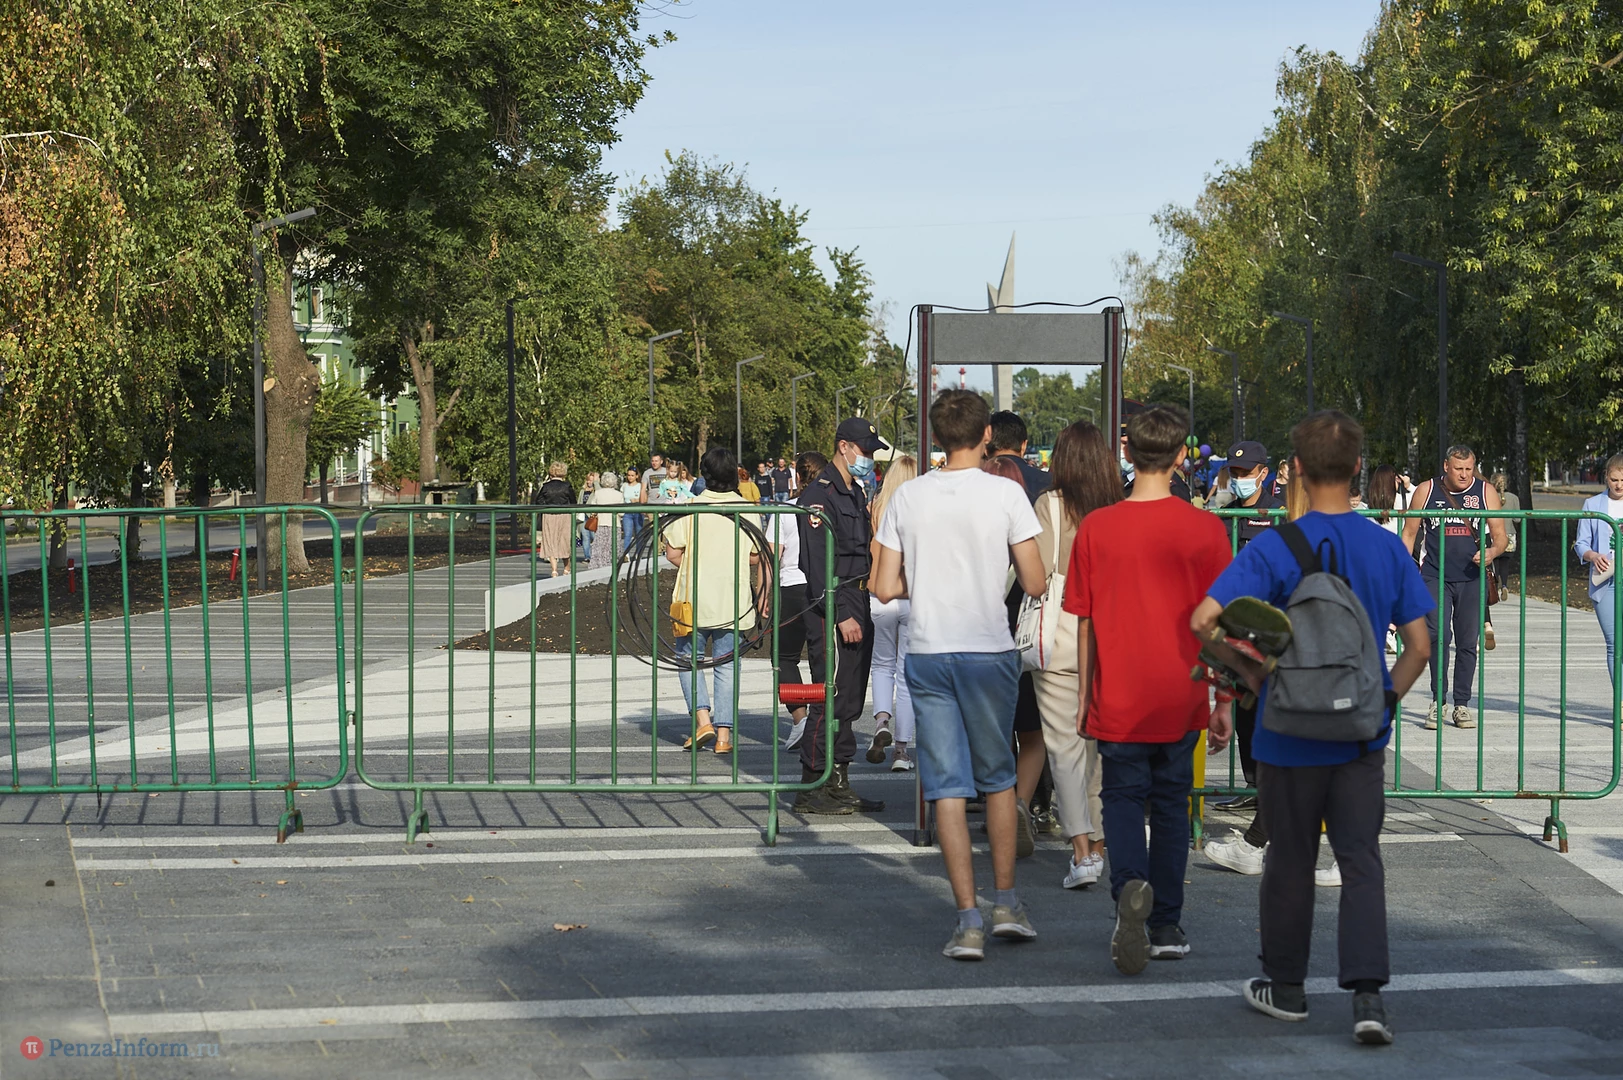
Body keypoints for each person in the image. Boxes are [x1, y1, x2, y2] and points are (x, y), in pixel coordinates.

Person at [1193, 409, 1434, 1045]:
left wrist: (1252, 674)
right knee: (1360, 859)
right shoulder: (1385, 545)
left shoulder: (1273, 546)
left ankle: (1286, 987)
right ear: (1357, 467)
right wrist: (1383, 701)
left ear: (1295, 468)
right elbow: (1419, 645)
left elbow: (1203, 620)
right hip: (1359, 731)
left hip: (1287, 729)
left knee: (1290, 859)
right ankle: (1368, 998)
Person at [871, 389, 1047, 960]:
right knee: (997, 778)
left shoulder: (909, 496)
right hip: (988, 648)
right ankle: (1007, 904)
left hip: (928, 649)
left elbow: (883, 585)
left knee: (946, 786)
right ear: (987, 435)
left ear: (936, 436)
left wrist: (926, 579)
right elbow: (1036, 580)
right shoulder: (1006, 494)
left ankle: (967, 920)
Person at [1065, 403, 1233, 974]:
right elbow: (1221, 623)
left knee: (1119, 797)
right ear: (1183, 455)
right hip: (1181, 692)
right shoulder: (1206, 529)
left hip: (1119, 693)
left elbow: (1084, 622)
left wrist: (1084, 695)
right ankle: (1165, 923)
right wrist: (1224, 699)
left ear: (1128, 453)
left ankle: (1129, 889)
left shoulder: (1098, 527)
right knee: (1170, 806)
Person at [1031, 421, 1118, 889]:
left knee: (1063, 747)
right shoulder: (1116, 507)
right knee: (1098, 748)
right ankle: (1100, 844)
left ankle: (1081, 850)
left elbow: (1037, 573)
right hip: (1109, 635)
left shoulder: (1050, 504)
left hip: (1060, 633)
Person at [793, 417, 890, 815]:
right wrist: (840, 614)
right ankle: (812, 784)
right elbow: (816, 564)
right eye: (864, 450)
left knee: (849, 698)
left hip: (857, 596)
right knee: (828, 694)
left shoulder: (854, 491)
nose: (868, 458)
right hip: (833, 601)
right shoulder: (820, 495)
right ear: (844, 446)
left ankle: (838, 781)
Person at [661, 447, 763, 757]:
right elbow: (756, 555)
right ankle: (723, 736)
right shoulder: (747, 509)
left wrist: (698, 562)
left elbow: (673, 552)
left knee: (687, 659)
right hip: (732, 599)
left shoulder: (690, 507)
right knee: (727, 665)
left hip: (693, 598)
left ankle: (703, 721)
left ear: (704, 474)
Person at [1400, 446, 1507, 730]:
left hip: (1472, 577)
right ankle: (1438, 700)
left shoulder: (1485, 492)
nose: (1464, 474)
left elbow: (1501, 537)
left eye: (1469, 469)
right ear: (1446, 466)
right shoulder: (1426, 490)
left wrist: (1492, 552)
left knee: (1467, 641)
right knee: (1437, 635)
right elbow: (1409, 533)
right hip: (1434, 575)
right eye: (1458, 469)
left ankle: (1462, 704)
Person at [1205, 440, 1284, 829]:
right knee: (1242, 710)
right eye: (1233, 473)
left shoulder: (1280, 515)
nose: (1238, 479)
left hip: (1272, 626)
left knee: (1273, 711)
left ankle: (1276, 789)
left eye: (1245, 473)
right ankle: (1253, 785)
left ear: (1263, 474)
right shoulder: (1225, 516)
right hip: (1236, 628)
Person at [987, 411, 1050, 856]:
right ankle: (1026, 804)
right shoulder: (1044, 486)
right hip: (1029, 619)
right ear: (1025, 445)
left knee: (991, 725)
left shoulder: (974, 482)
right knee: (1033, 725)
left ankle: (998, 803)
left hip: (979, 624)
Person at [867, 454, 919, 771]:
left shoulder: (877, 508)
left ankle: (881, 722)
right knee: (907, 673)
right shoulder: (921, 509)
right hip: (913, 596)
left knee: (882, 664)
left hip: (880, 595)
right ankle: (901, 749)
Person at [776, 452, 826, 750]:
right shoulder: (828, 507)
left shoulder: (786, 509)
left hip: (792, 585)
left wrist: (764, 591)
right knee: (822, 658)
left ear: (797, 477)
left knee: (784, 657)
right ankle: (822, 718)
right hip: (821, 586)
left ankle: (800, 717)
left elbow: (773, 553)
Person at [1575, 454, 1623, 690]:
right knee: (1614, 643)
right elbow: (1581, 543)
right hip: (1605, 581)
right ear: (1606, 477)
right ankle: (1620, 701)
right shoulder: (1592, 505)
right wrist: (1593, 556)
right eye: (1614, 480)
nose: (1619, 485)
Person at [1485, 471, 1520, 651]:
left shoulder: (1489, 496)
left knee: (1496, 561)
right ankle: (1504, 585)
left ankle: (1496, 582)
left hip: (1494, 535)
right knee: (1505, 562)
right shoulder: (1513, 498)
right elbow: (1517, 518)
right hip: (1510, 535)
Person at [535, 461, 576, 579]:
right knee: (564, 541)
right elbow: (573, 501)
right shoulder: (567, 486)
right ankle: (567, 568)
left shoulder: (546, 486)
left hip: (549, 516)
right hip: (564, 515)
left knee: (550, 541)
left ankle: (554, 570)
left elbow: (538, 501)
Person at [586, 470, 625, 571]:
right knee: (613, 549)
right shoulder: (619, 494)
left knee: (600, 549)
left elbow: (592, 510)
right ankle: (613, 568)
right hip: (615, 525)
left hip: (601, 524)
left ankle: (599, 569)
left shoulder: (598, 493)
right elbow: (622, 513)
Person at [620, 468, 643, 553]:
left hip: (638, 511)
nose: (630, 477)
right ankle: (626, 554)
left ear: (636, 476)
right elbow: (621, 498)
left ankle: (638, 554)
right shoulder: (624, 486)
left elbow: (645, 498)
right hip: (627, 512)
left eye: (632, 475)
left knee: (639, 534)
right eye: (629, 475)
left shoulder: (640, 486)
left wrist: (637, 500)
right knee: (627, 534)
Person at [579, 472, 600, 564]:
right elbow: (579, 502)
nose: (589, 482)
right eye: (588, 480)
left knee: (594, 536)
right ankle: (587, 556)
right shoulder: (582, 491)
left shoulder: (596, 491)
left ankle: (597, 556)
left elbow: (599, 493)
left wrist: (596, 482)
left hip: (592, 516)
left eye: (591, 480)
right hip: (583, 516)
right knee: (585, 537)